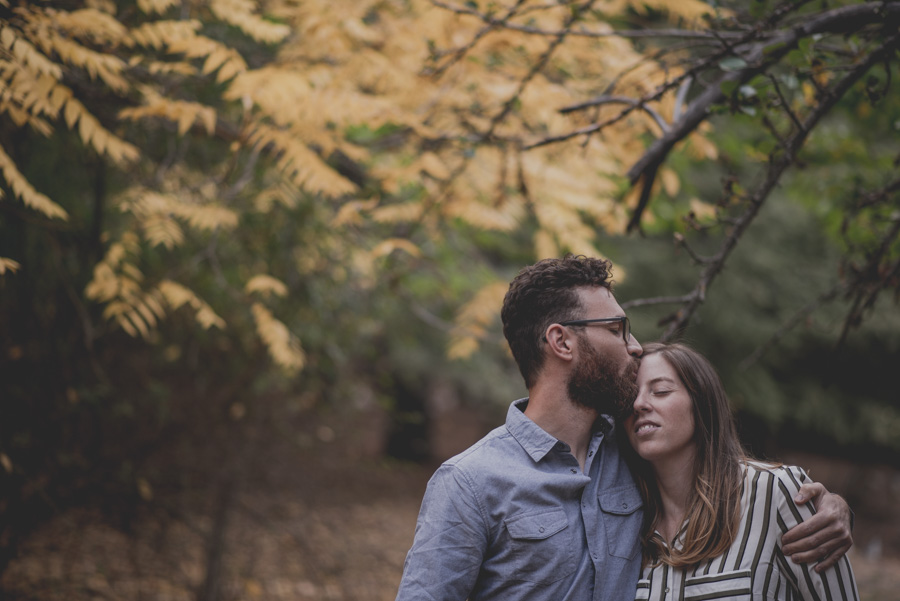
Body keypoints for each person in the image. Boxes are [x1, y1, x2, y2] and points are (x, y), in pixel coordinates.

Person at [395, 255, 852, 601]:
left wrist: (828, 506)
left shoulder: (632, 454)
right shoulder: (471, 483)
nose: (634, 347)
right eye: (617, 329)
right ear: (562, 341)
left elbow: (714, 470)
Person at [622, 342, 858, 600]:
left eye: (661, 391)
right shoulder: (625, 523)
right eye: (631, 394)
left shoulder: (775, 493)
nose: (639, 403)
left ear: (701, 402)